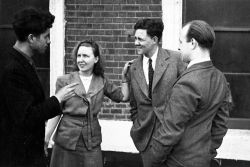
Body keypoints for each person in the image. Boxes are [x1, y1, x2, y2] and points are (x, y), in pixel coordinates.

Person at [0, 8, 79, 167]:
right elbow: (27, 117)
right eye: (46, 36)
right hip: (18, 157)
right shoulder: (13, 69)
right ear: (31, 38)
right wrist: (58, 99)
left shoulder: (23, 61)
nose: (49, 41)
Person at [156, 20, 231, 167]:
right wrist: (208, 151)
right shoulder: (220, 78)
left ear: (193, 43)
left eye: (181, 42)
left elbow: (169, 132)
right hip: (203, 160)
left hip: (177, 161)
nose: (178, 47)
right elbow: (221, 124)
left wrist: (154, 161)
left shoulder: (187, 83)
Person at [45, 40, 130, 167]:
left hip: (91, 141)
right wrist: (46, 137)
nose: (81, 60)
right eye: (79, 56)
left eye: (85, 56)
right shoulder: (64, 81)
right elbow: (56, 111)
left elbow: (123, 97)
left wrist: (124, 78)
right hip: (66, 139)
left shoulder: (102, 81)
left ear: (96, 59)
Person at [127, 18, 186, 167]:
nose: (135, 43)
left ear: (154, 39)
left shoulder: (176, 59)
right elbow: (133, 104)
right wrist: (137, 125)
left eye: (140, 39)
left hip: (175, 141)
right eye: (135, 38)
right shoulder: (132, 67)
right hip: (146, 143)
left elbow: (187, 99)